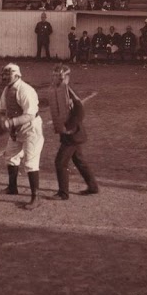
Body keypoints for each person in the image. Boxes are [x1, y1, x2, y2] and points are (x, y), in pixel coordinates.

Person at [0, 63, 44, 210]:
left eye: (7, 74)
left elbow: (29, 115)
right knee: (10, 157)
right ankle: (12, 187)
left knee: (30, 162)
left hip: (31, 129)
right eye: (3, 74)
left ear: (17, 75)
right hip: (16, 129)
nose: (4, 77)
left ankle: (36, 197)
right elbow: (2, 109)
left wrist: (10, 123)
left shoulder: (25, 90)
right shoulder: (7, 90)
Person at [47, 64, 100, 200]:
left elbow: (80, 111)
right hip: (70, 134)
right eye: (54, 76)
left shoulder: (67, 91)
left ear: (66, 78)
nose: (55, 79)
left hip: (72, 135)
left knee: (60, 162)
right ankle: (93, 187)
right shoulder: (60, 90)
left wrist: (69, 127)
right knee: (79, 161)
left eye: (58, 76)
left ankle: (63, 193)